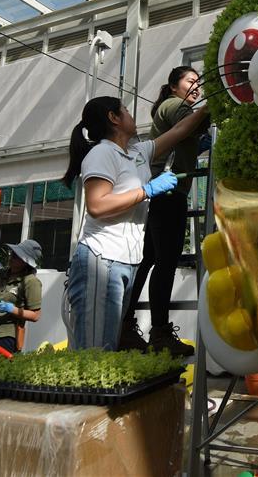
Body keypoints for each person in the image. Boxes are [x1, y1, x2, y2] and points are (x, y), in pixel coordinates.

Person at [62, 95, 208, 351]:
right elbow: (97, 206)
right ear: (114, 118)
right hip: (101, 258)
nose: (132, 115)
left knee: (110, 344)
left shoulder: (137, 152)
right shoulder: (102, 154)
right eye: (126, 110)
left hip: (127, 260)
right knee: (95, 351)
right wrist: (147, 190)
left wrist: (210, 105)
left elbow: (180, 129)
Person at [120, 67, 209, 356]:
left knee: (148, 261)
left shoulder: (171, 108)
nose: (196, 86)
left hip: (157, 194)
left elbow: (189, 139)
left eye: (198, 82)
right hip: (169, 194)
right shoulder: (176, 105)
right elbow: (189, 124)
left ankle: (125, 328)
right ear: (173, 86)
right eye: (190, 81)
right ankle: (159, 333)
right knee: (165, 263)